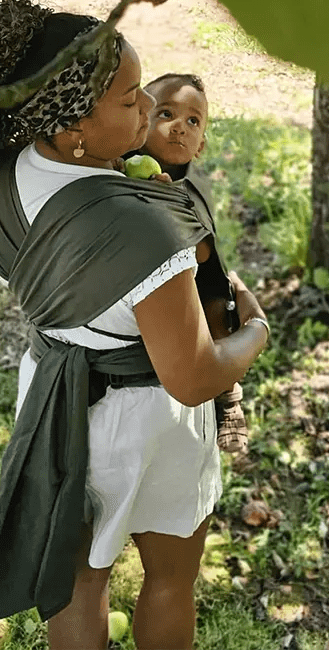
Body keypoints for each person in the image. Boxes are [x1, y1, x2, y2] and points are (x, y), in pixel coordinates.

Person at [0, 0, 270, 650]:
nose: (148, 111)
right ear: (75, 121)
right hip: (145, 422)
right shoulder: (142, 228)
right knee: (170, 576)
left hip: (53, 401)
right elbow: (194, 376)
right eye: (133, 98)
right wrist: (255, 332)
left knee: (80, 580)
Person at [127, 72, 248, 454]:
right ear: (142, 120)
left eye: (193, 121)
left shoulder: (194, 186)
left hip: (197, 278)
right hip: (143, 283)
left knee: (217, 304)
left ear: (201, 146)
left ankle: (228, 395)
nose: (180, 126)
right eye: (166, 114)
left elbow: (202, 251)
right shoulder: (120, 166)